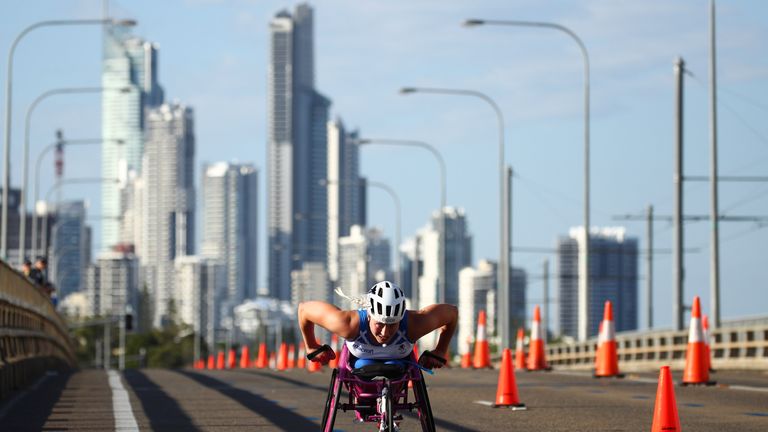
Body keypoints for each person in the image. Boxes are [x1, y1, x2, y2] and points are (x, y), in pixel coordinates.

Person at [298, 280, 458, 370]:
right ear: (369, 316)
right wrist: (311, 346)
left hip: (398, 363)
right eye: (380, 324)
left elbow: (452, 313)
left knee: (395, 368)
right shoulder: (347, 324)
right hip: (360, 363)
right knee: (364, 367)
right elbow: (304, 309)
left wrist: (441, 350)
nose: (385, 332)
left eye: (392, 324)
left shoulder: (415, 323)